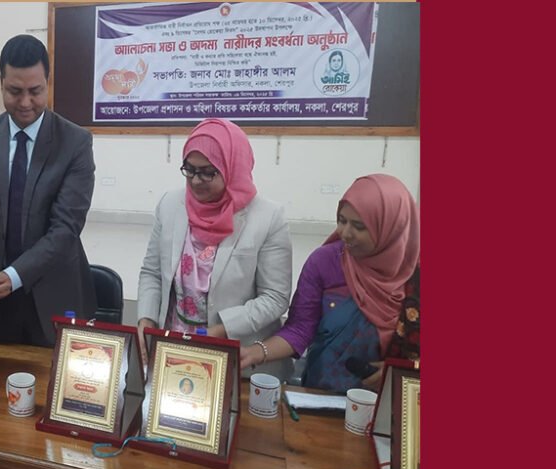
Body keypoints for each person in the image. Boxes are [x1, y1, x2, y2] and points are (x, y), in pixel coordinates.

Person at [0, 34, 97, 346]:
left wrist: (15, 276)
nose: (25, 103)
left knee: (48, 375)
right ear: (1, 83)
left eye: (35, 91)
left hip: (54, 294)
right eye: (15, 91)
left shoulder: (75, 142)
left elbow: (65, 229)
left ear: (47, 83)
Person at [136, 119, 292, 378]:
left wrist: (220, 330)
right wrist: (146, 319)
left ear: (232, 168)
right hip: (173, 350)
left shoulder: (267, 217)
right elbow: (152, 272)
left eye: (208, 172)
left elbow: (275, 298)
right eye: (189, 170)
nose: (196, 181)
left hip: (236, 357)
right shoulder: (170, 204)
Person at [240, 174, 421, 392]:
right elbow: (300, 329)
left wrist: (401, 372)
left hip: (393, 400)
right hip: (321, 393)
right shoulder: (324, 262)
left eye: (359, 226)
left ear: (391, 228)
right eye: (342, 221)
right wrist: (253, 353)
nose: (345, 233)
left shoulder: (417, 277)